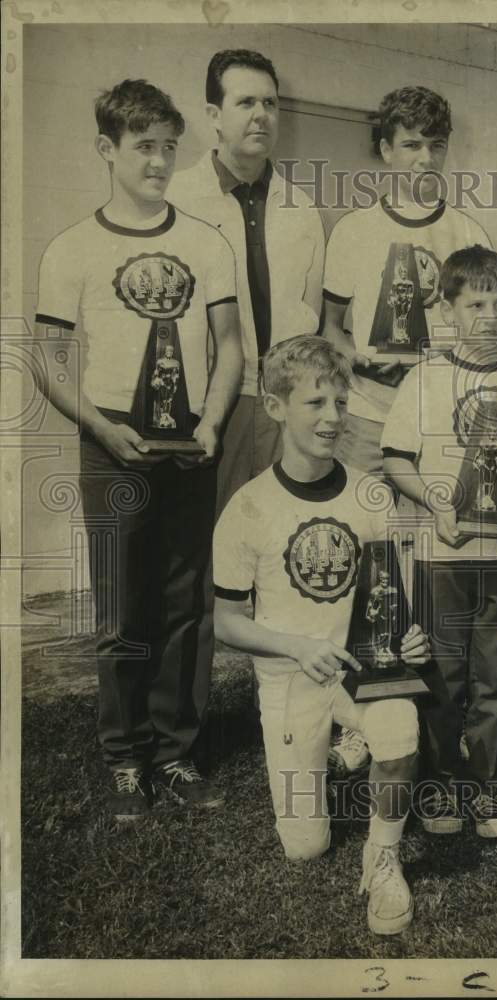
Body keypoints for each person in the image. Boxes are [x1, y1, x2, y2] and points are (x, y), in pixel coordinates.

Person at [33, 79, 243, 820]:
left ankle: (177, 751)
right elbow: (50, 362)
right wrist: (100, 425)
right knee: (125, 605)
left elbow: (228, 347)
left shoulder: (205, 242)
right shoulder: (73, 248)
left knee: (188, 600)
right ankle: (126, 756)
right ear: (107, 149)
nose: (158, 162)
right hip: (113, 434)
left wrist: (212, 422)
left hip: (190, 431)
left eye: (167, 148)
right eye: (143, 147)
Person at [212, 336, 430, 935]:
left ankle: (382, 854)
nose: (333, 418)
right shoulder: (248, 507)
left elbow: (398, 593)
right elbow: (227, 622)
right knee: (304, 846)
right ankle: (327, 748)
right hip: (292, 671)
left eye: (340, 401)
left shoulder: (369, 492)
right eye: (315, 403)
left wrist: (412, 635)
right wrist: (296, 646)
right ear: (276, 407)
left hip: (362, 669)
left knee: (401, 726)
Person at [322, 84, 491, 774]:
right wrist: (356, 356)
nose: (423, 159)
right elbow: (330, 328)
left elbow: (486, 333)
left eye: (434, 145)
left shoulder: (466, 232)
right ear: (384, 150)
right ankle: (356, 713)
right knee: (362, 561)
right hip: (365, 418)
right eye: (410, 145)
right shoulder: (354, 232)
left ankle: (428, 710)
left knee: (431, 570)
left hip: (435, 433)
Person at [381, 246, 497, 837]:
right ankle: (438, 787)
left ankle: (484, 786)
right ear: (449, 309)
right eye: (476, 303)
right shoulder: (426, 375)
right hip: (444, 553)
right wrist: (434, 501)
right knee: (445, 672)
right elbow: (396, 459)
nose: (491, 315)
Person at [167, 48, 325, 517]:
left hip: (283, 403)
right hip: (207, 404)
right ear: (214, 114)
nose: (261, 116)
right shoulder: (177, 200)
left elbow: (309, 312)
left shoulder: (303, 209)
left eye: (271, 104)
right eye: (246, 103)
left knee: (281, 534)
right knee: (205, 543)